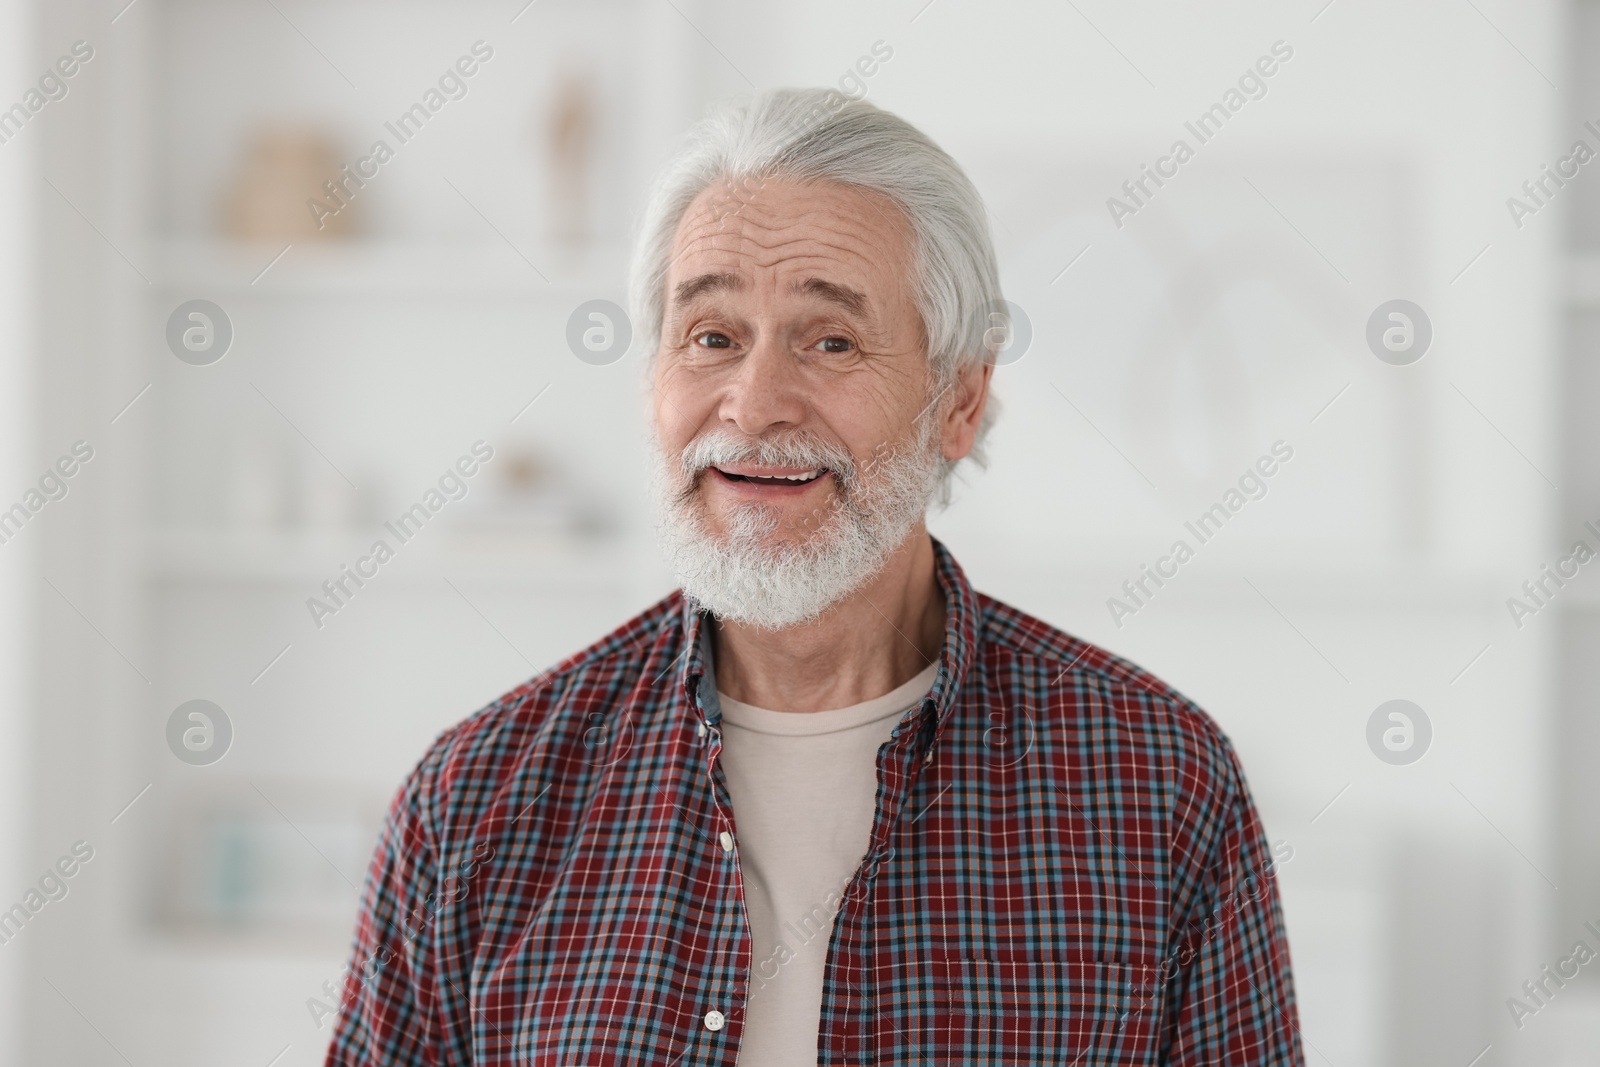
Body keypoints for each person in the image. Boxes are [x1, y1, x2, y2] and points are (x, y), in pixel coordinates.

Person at [325, 86, 1304, 1066]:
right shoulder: (471, 805)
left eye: (829, 340)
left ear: (958, 401)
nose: (752, 408)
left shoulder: (1158, 785)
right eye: (710, 337)